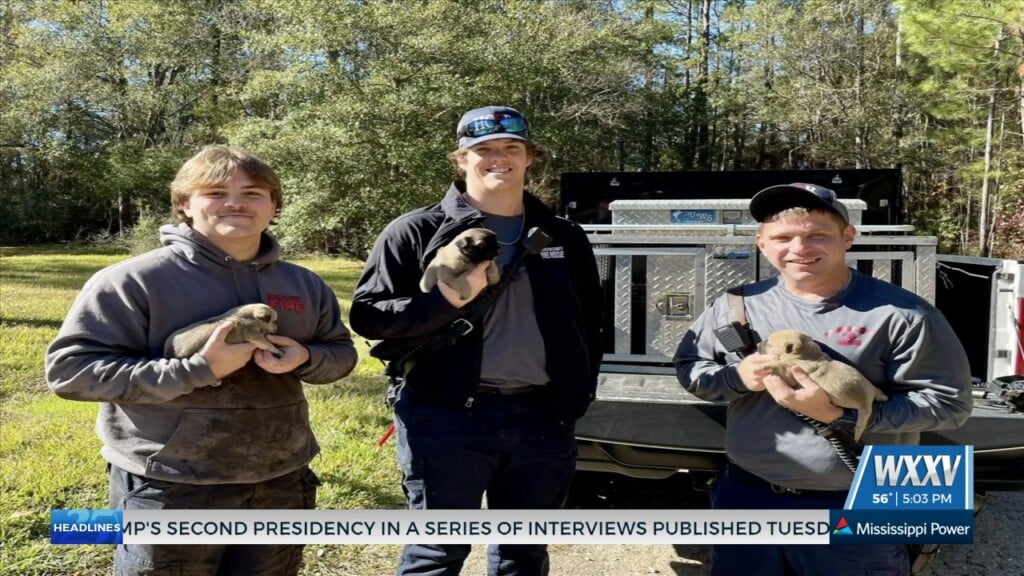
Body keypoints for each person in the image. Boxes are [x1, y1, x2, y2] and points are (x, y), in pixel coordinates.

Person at [45, 145, 358, 576]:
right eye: (214, 192)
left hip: (279, 480)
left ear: (274, 206)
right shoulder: (134, 280)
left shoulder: (303, 283)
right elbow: (71, 372)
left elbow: (341, 354)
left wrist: (305, 358)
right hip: (169, 485)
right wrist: (198, 371)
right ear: (184, 205)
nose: (235, 202)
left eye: (252, 192)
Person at [350, 105, 603, 576]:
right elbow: (369, 316)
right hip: (445, 416)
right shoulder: (416, 230)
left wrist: (576, 394)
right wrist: (444, 302)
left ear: (530, 158)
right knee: (435, 554)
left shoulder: (562, 235)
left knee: (523, 554)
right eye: (483, 149)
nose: (498, 159)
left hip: (543, 419)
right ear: (461, 159)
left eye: (512, 148)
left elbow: (590, 322)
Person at [674, 183, 973, 576]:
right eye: (783, 237)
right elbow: (690, 368)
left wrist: (842, 415)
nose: (799, 248)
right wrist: (736, 377)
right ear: (761, 243)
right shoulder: (735, 307)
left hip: (867, 497)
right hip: (749, 492)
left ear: (848, 237)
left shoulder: (904, 314)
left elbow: (951, 405)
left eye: (817, 234)